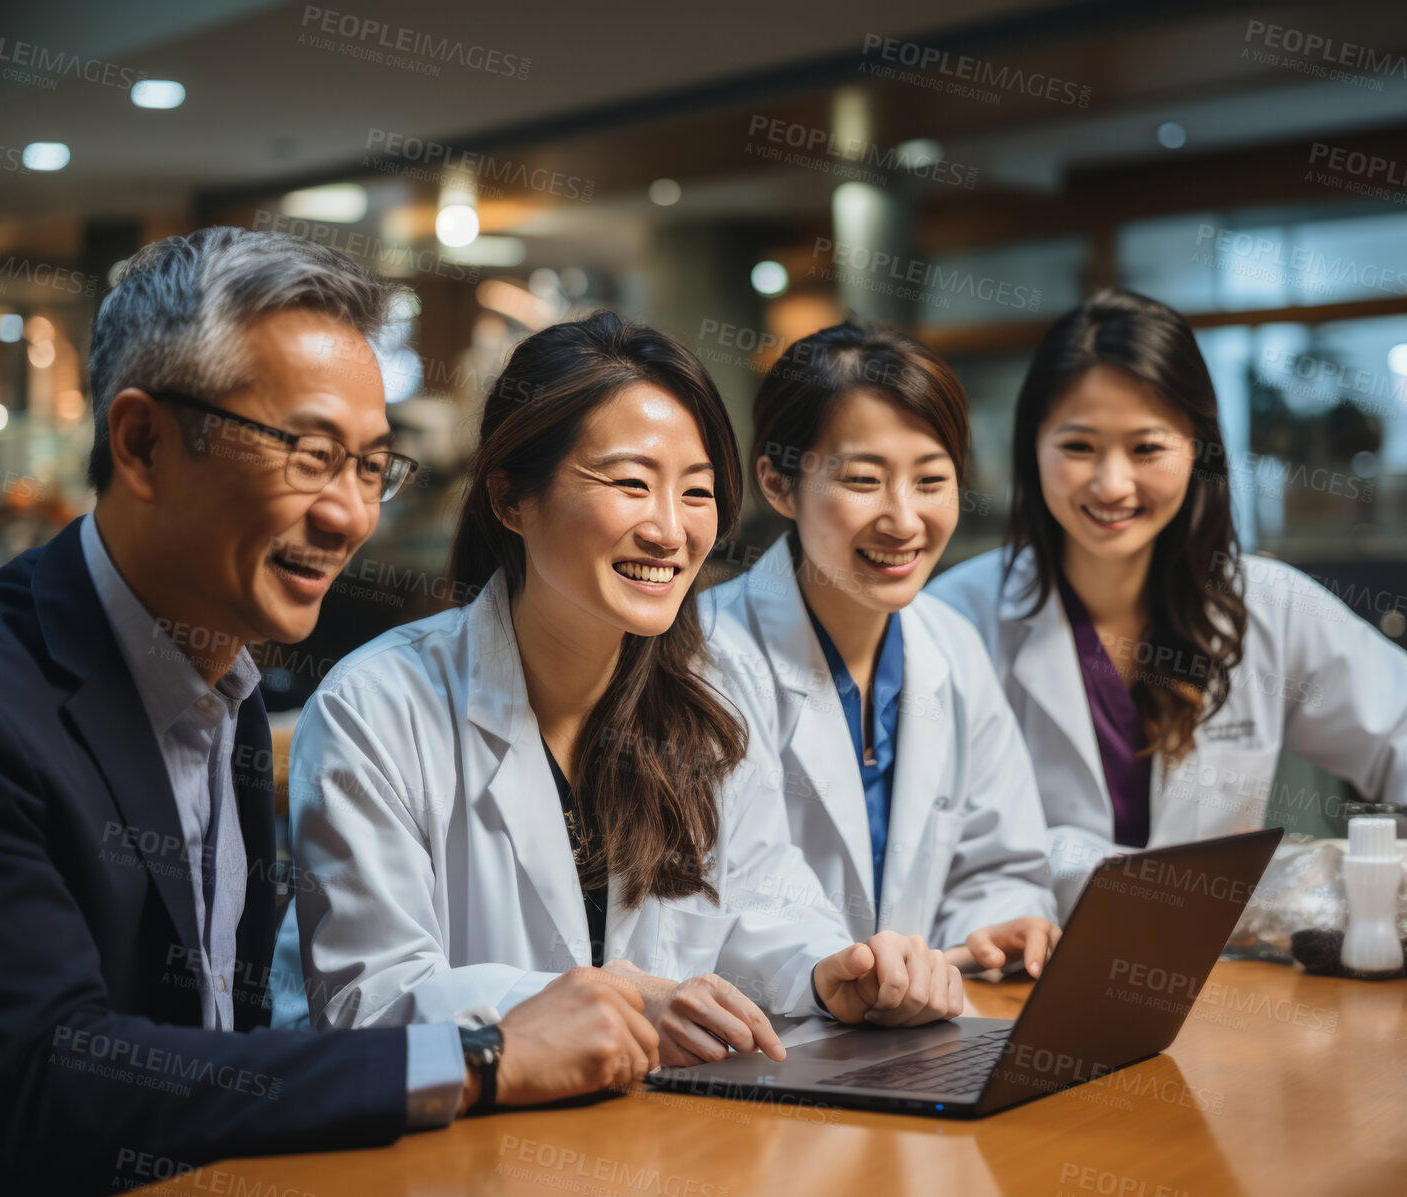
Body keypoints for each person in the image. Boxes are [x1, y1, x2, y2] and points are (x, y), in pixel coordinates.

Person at [0, 228, 662, 1195]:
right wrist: (477, 1056)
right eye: (308, 454)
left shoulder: (225, 684)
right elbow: (52, 1077)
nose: (349, 513)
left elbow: (220, 1051)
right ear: (142, 442)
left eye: (371, 465)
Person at [280, 311, 964, 1065]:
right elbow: (366, 1000)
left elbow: (767, 906)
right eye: (631, 484)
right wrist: (602, 998)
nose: (669, 531)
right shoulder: (376, 707)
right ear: (512, 499)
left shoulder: (708, 698)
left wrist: (829, 972)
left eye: (695, 492)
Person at [928, 288, 1407, 917]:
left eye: (1147, 448)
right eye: (1078, 447)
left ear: (1198, 448)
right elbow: (931, 827)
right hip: (1018, 971)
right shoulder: (957, 617)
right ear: (1031, 447)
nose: (1111, 483)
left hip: (1218, 980)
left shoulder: (1264, 603)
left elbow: (1406, 716)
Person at [699, 319, 1061, 978]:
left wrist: (995, 924)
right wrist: (843, 973)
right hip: (763, 1045)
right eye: (864, 480)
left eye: (930, 480)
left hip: (925, 1028)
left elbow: (999, 861)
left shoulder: (951, 643)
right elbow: (720, 901)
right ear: (778, 483)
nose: (903, 520)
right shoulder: (706, 655)